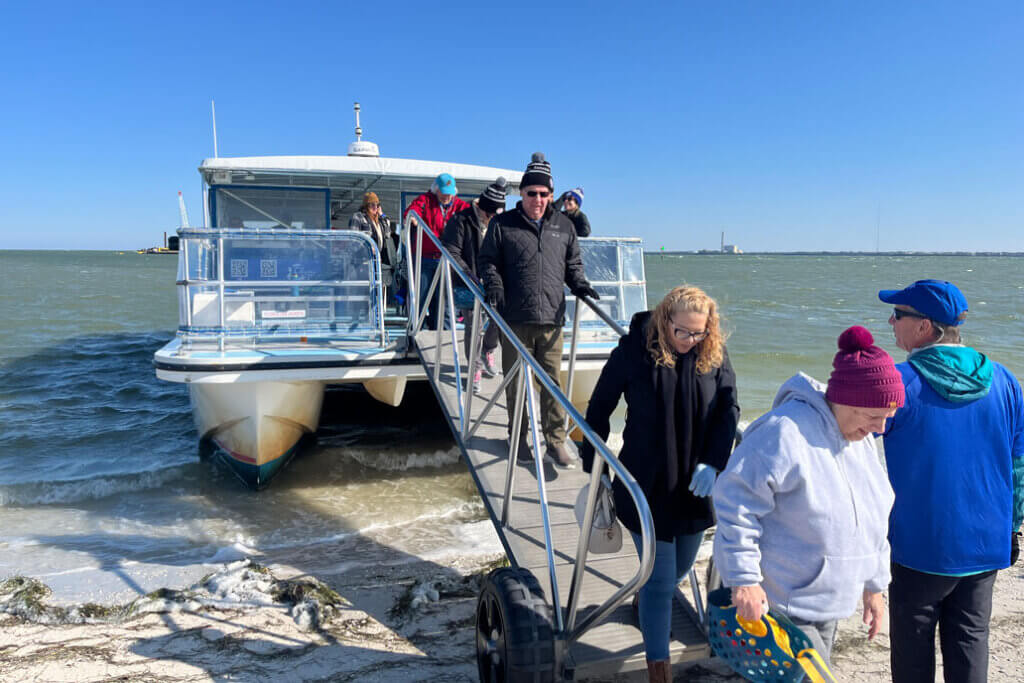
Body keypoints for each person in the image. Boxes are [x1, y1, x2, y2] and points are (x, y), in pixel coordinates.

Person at [712, 325, 904, 672]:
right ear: (846, 398)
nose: (879, 429)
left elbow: (875, 514)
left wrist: (874, 586)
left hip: (830, 600)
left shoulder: (860, 441)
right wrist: (744, 580)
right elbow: (735, 501)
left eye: (886, 419)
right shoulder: (784, 431)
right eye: (873, 416)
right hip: (783, 602)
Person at [580, 285, 739, 683]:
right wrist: (595, 464)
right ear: (666, 318)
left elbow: (728, 409)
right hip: (645, 482)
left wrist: (714, 463)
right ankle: (659, 670)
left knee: (681, 568)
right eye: (682, 332)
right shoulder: (635, 350)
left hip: (694, 484)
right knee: (661, 578)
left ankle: (645, 600)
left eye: (698, 333)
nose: (689, 341)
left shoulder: (713, 354)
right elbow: (599, 406)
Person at [877, 279, 1024, 683]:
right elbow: (1019, 464)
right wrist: (1013, 526)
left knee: (912, 653)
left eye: (899, 315)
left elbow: (848, 441)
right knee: (970, 644)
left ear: (925, 327)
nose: (891, 321)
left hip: (919, 545)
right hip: (985, 541)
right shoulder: (1005, 380)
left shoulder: (899, 382)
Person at [479, 152, 598, 469]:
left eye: (544, 194)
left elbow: (572, 265)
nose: (538, 199)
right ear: (522, 193)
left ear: (551, 195)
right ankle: (518, 439)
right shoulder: (503, 224)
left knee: (552, 384)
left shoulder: (564, 227)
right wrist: (494, 285)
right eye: (532, 193)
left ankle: (555, 442)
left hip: (551, 319)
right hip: (514, 319)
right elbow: (487, 261)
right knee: (516, 384)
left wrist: (581, 286)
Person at [441, 177, 507, 393]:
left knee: (498, 321)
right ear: (482, 208)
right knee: (474, 326)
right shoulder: (461, 220)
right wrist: (470, 276)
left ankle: (489, 350)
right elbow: (451, 250)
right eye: (489, 214)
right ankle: (475, 368)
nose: (491, 219)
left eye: (495, 215)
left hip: (493, 281)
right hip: (468, 283)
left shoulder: (499, 222)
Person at [404, 173, 470, 328]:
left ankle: (443, 338)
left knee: (445, 303)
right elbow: (411, 211)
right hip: (424, 259)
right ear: (436, 190)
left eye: (450, 193)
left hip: (446, 260)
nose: (447, 196)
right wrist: (412, 218)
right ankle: (415, 335)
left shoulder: (458, 205)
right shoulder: (425, 200)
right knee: (419, 299)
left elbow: (471, 212)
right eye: (444, 192)